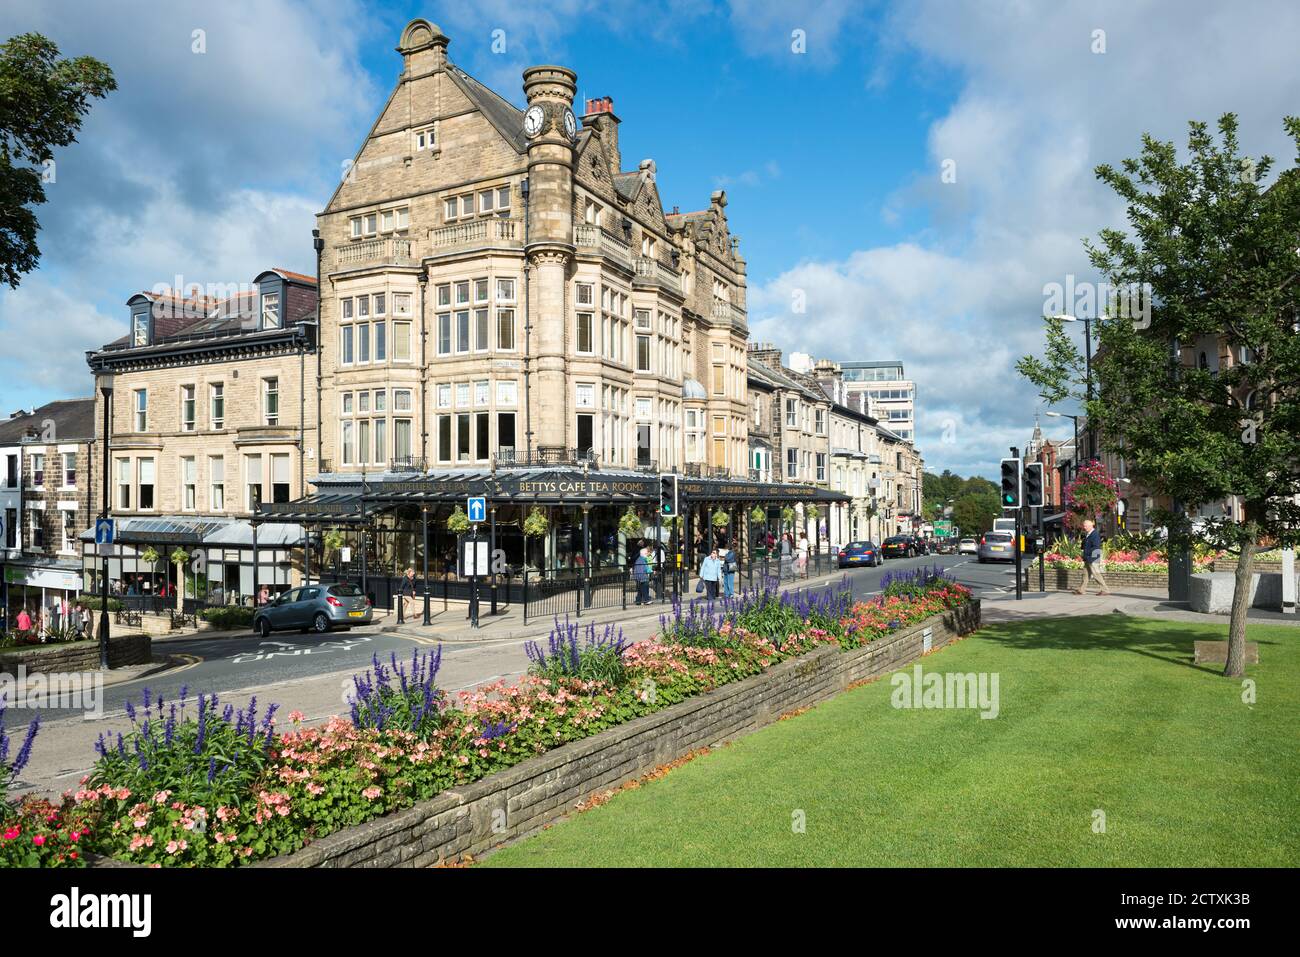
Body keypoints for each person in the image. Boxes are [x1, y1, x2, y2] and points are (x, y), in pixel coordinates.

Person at [1075, 518, 1110, 596]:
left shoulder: (1094, 534)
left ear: (1091, 526)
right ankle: (1081, 589)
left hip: (1093, 557)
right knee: (1085, 574)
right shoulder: (1089, 534)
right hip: (1088, 557)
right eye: (1084, 526)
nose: (1084, 527)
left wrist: (1092, 558)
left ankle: (1105, 590)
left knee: (1096, 574)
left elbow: (1096, 547)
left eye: (1086, 526)